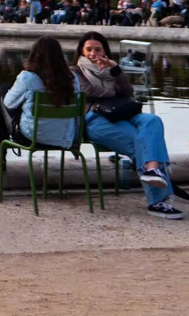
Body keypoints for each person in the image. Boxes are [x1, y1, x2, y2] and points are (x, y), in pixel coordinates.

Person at [74, 31, 183, 219]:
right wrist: (114, 85)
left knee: (152, 121)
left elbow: (127, 91)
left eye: (97, 49)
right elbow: (90, 91)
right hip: (95, 118)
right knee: (141, 142)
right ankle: (158, 201)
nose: (93, 53)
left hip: (122, 112)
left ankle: (152, 170)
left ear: (105, 51)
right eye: (89, 49)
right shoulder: (75, 72)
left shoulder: (112, 70)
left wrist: (115, 69)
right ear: (82, 52)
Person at [0, 35, 80, 178]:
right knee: (22, 99)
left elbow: (8, 103)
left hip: (32, 138)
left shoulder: (28, 77)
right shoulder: (73, 78)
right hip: (66, 139)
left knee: (0, 102)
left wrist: (4, 91)